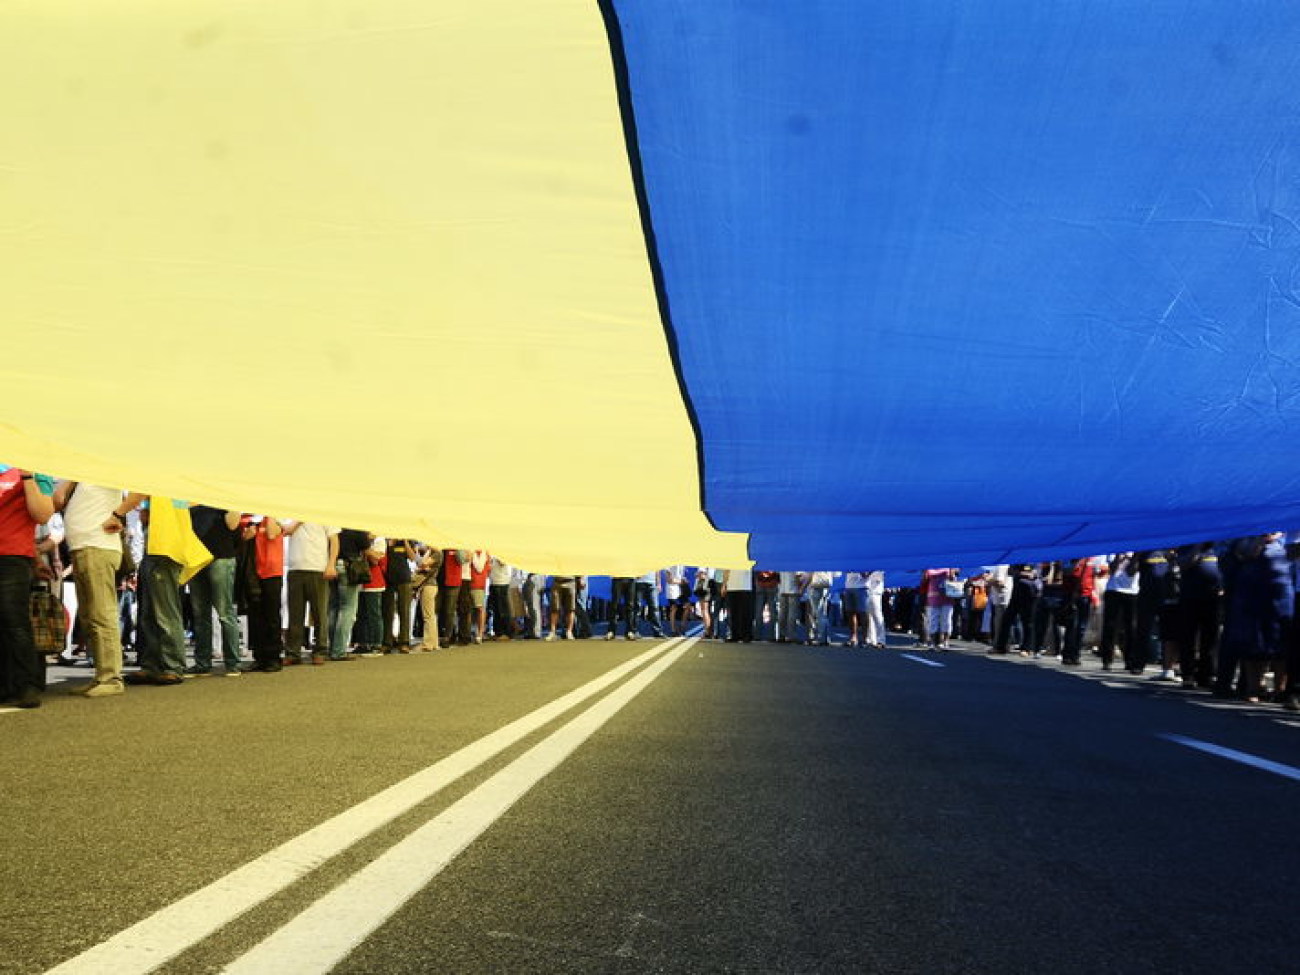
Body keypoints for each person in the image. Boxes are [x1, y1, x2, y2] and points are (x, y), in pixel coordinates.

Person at [54, 479, 128, 696]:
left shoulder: (108, 464)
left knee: (101, 614)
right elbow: (58, 499)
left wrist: (120, 514)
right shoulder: (81, 473)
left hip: (98, 546)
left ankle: (111, 678)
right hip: (84, 547)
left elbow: (140, 490)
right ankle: (101, 676)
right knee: (89, 616)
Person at [0, 467, 56, 707]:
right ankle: (5, 685)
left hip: (13, 556)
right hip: (16, 556)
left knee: (14, 622)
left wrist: (27, 477)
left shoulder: (34, 471)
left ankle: (27, 684)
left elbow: (43, 514)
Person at [186, 505, 244, 676]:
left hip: (221, 556)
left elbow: (233, 523)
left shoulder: (222, 495)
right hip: (195, 558)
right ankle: (202, 663)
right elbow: (177, 512)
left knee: (224, 612)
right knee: (200, 614)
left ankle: (233, 663)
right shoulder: (187, 497)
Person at [280, 520, 338, 665]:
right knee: (295, 614)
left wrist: (331, 564)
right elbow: (285, 531)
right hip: (295, 568)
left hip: (318, 569)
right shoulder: (290, 514)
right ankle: (293, 652)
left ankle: (320, 651)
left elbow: (334, 540)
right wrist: (299, 519)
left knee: (319, 613)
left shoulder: (324, 512)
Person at [722, 568, 754, 643]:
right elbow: (726, 570)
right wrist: (724, 584)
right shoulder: (730, 557)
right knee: (733, 613)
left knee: (746, 613)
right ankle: (734, 635)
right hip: (732, 586)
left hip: (745, 586)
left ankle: (746, 635)